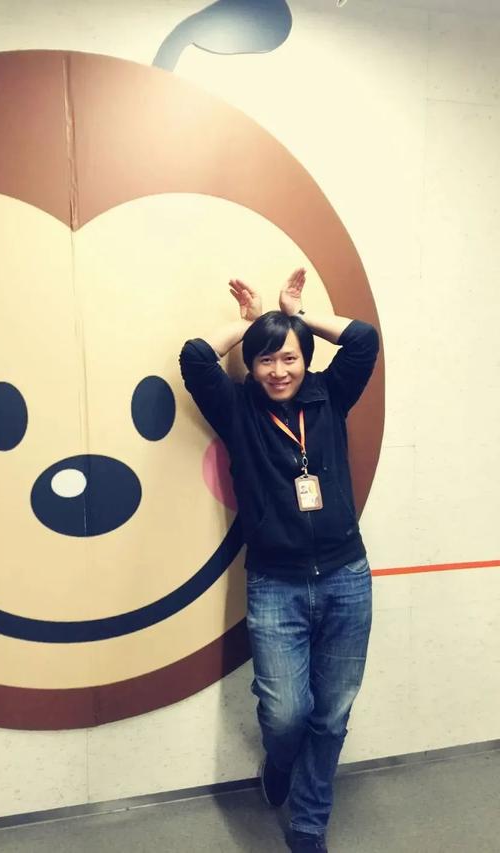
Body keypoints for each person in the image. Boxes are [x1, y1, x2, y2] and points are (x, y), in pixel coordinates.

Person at [179, 268, 379, 853]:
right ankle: (280, 762)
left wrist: (297, 314)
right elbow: (194, 358)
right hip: (275, 584)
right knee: (286, 713)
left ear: (305, 359)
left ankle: (310, 822)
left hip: (347, 577)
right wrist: (247, 326)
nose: (278, 370)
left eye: (289, 357)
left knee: (332, 714)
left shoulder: (329, 395)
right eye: (265, 360)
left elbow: (363, 339)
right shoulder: (238, 409)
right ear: (252, 365)